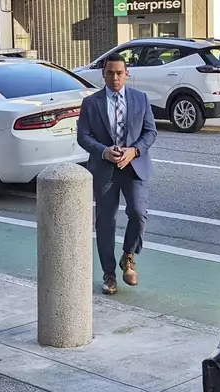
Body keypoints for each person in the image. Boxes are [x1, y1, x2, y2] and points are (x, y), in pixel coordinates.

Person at [77, 53, 157, 295]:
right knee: (105, 222)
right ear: (103, 74)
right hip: (105, 170)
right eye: (110, 72)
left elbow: (150, 132)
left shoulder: (140, 99)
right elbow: (83, 136)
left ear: (127, 74)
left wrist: (134, 151)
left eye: (119, 73)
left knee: (138, 213)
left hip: (134, 167)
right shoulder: (91, 103)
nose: (115, 77)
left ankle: (128, 257)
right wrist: (103, 151)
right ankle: (109, 274)